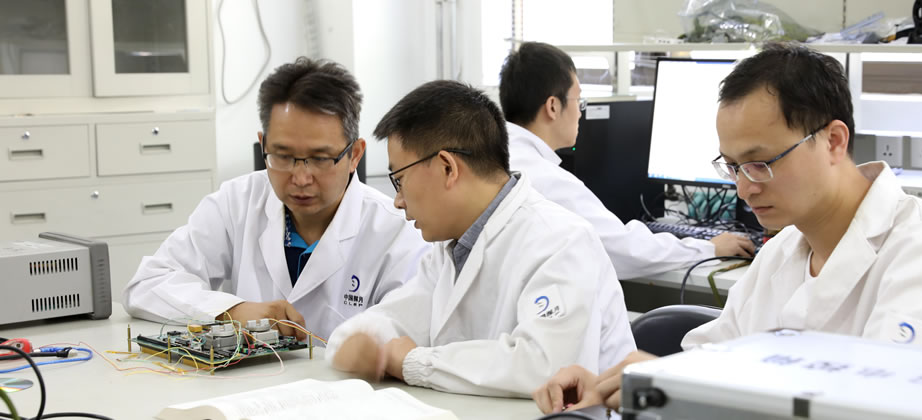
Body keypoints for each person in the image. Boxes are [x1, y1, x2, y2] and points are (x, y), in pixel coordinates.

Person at [533, 42, 922, 414]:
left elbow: (886, 407)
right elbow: (708, 366)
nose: (744, 188)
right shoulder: (783, 251)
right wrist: (629, 381)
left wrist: (685, 392)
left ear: (833, 141)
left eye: (760, 163)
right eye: (733, 166)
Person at [326, 80, 635, 397]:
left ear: (448, 168)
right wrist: (360, 343)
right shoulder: (450, 249)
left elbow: (544, 367)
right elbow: (393, 318)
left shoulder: (561, 241)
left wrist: (413, 362)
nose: (398, 201)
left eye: (400, 180)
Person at [123, 57, 429, 341]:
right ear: (263, 145)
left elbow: (410, 334)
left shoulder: (397, 233)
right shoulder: (237, 202)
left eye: (320, 158)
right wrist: (232, 311)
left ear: (355, 155)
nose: (300, 178)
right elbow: (146, 285)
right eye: (282, 156)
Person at [498, 42, 754, 280]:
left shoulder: (500, 158)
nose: (580, 112)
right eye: (579, 100)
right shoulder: (547, 180)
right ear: (553, 106)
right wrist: (708, 248)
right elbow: (625, 251)